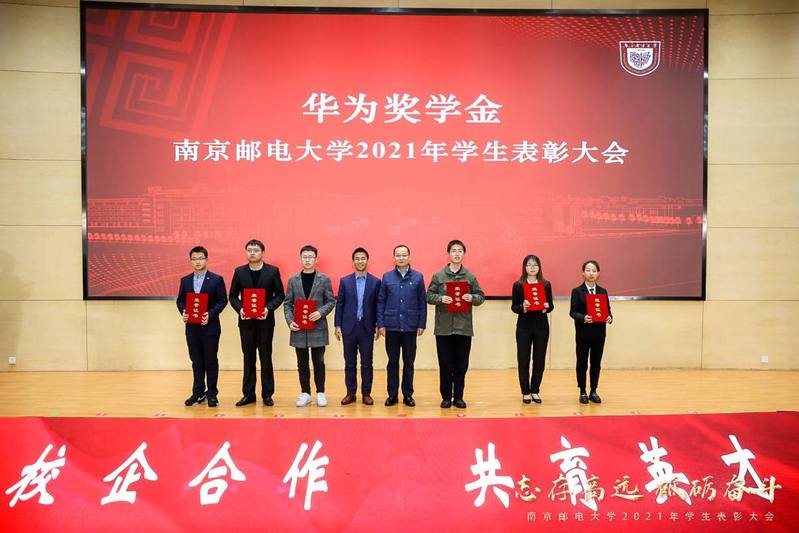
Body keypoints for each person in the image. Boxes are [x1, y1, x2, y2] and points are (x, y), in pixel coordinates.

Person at [426, 240, 485, 409]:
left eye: (460, 251)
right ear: (449, 254)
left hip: (463, 328)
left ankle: (458, 396)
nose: (457, 253)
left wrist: (472, 298)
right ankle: (446, 397)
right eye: (454, 250)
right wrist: (440, 298)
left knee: (461, 365)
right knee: (445, 364)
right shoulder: (439, 276)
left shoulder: (470, 277)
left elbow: (481, 297)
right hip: (443, 328)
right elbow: (429, 296)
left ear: (463, 254)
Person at [228, 239, 285, 407]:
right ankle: (248, 394)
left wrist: (268, 308)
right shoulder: (239, 272)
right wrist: (240, 309)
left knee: (266, 358)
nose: (252, 253)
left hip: (265, 322)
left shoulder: (272, 271)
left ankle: (267, 394)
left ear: (262, 253)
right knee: (248, 358)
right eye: (249, 250)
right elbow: (232, 296)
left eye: (256, 250)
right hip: (246, 323)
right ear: (246, 252)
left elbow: (280, 295)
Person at [284, 245, 336, 407]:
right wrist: (290, 320)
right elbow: (287, 304)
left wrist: (320, 312)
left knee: (319, 361)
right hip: (299, 328)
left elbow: (331, 301)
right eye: (305, 257)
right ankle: (305, 393)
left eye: (310, 257)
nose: (307, 260)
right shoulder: (293, 280)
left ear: (316, 259)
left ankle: (320, 392)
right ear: (300, 259)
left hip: (318, 327)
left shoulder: (324, 279)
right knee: (302, 362)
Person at [176, 246, 228, 408]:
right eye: (194, 259)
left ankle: (212, 394)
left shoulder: (216, 279)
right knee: (196, 361)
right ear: (190, 261)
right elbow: (180, 301)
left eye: (200, 258)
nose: (197, 262)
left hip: (210, 327)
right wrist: (184, 312)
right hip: (192, 328)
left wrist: (210, 314)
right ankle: (198, 392)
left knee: (210, 360)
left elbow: (222, 300)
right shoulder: (185, 280)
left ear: (206, 259)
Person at [376, 244, 426, 407]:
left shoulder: (418, 277)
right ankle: (392, 395)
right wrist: (380, 324)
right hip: (391, 326)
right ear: (394, 258)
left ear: (409, 257)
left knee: (409, 362)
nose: (401, 258)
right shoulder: (387, 277)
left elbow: (422, 302)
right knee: (392, 362)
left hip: (411, 326)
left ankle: (408, 395)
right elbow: (381, 301)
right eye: (398, 255)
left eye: (404, 255)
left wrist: (421, 323)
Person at [334, 247, 381, 406]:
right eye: (357, 258)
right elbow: (340, 304)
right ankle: (351, 393)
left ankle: (366, 393)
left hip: (367, 327)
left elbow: (378, 305)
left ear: (367, 261)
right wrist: (337, 325)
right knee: (349, 363)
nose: (360, 261)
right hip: (349, 327)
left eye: (363, 258)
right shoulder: (345, 281)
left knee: (367, 362)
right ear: (353, 261)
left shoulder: (376, 282)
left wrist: (378, 325)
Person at [511, 254, 554, 404]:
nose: (532, 267)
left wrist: (547, 307)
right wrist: (522, 307)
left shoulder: (546, 284)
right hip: (524, 327)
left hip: (541, 327)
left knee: (539, 360)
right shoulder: (518, 285)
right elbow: (514, 307)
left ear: (539, 267)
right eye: (529, 265)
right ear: (524, 267)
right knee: (523, 359)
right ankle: (525, 392)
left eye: (535, 265)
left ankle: (535, 390)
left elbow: (551, 306)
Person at [569, 259, 613, 404]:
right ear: (583, 273)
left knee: (596, 363)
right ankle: (582, 391)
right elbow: (573, 312)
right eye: (588, 270)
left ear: (598, 273)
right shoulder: (577, 291)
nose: (591, 273)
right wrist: (583, 317)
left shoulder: (603, 291)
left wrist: (609, 317)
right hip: (583, 333)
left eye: (594, 270)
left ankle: (594, 390)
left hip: (599, 334)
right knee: (582, 363)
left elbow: (608, 311)